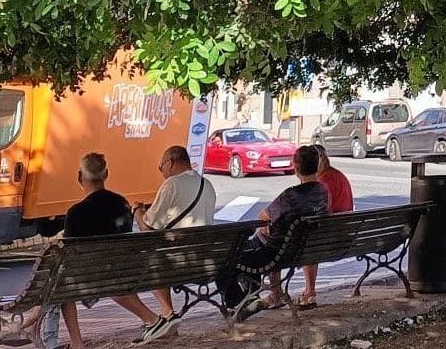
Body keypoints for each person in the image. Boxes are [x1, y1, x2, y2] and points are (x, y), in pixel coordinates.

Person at [41, 153, 169, 348]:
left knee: (60, 283)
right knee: (63, 282)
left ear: (79, 177)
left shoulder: (76, 212)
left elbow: (69, 253)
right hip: (119, 270)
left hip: (93, 277)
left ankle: (75, 343)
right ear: (106, 174)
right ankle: (152, 320)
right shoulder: (122, 204)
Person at [215, 145, 329, 319]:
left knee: (224, 261)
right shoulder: (322, 191)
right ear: (317, 165)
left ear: (296, 167)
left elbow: (264, 216)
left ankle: (240, 303)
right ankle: (252, 295)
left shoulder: (290, 195)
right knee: (245, 253)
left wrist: (269, 224)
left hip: (273, 253)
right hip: (298, 251)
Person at [131, 146, 217, 341]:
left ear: (170, 162)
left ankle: (168, 313)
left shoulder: (172, 185)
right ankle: (168, 315)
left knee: (152, 255)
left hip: (178, 265)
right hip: (205, 262)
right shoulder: (207, 184)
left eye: (160, 166)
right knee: (163, 254)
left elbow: (148, 227)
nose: (161, 171)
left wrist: (137, 211)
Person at [299, 149, 354, 308]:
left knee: (307, 243)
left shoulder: (324, 181)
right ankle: (308, 291)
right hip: (348, 233)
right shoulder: (337, 175)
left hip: (334, 236)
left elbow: (320, 211)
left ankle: (310, 291)